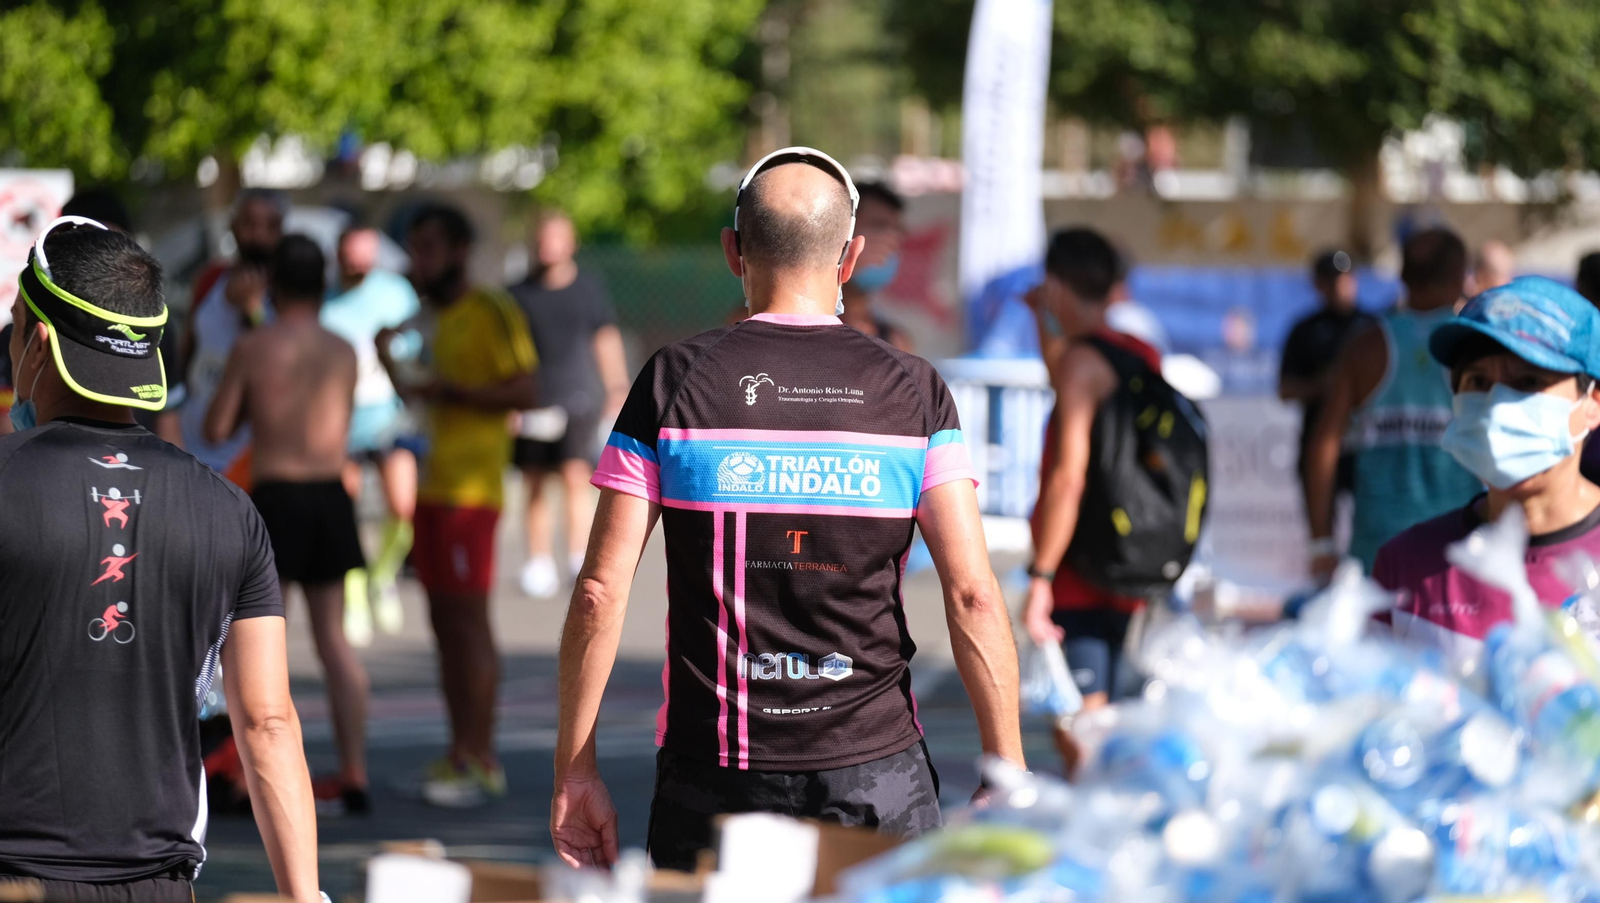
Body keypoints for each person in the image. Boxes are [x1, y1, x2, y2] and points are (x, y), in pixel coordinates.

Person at [550, 147, 1023, 870]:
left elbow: (597, 592)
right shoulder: (914, 392)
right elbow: (972, 593)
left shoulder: (674, 382)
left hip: (714, 770)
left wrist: (576, 771)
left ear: (732, 250)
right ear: (853, 253)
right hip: (876, 771)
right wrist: (1005, 769)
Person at [0, 218, 322, 901]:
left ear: (40, 341)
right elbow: (267, 721)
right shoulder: (229, 511)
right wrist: (304, 896)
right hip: (158, 882)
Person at [378, 203, 539, 808]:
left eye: (429, 248)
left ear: (459, 251)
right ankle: (458, 753)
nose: (420, 261)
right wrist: (387, 356)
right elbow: (416, 394)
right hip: (431, 485)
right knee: (445, 626)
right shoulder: (428, 315)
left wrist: (455, 391)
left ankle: (482, 758)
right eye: (414, 248)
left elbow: (527, 387)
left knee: (469, 626)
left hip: (473, 493)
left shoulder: (491, 308)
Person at [204, 234, 370, 817]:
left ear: (272, 285)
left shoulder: (255, 345)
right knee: (334, 642)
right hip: (330, 494)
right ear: (323, 286)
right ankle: (354, 770)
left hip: (275, 498)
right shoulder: (344, 349)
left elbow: (220, 425)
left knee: (257, 646)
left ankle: (254, 777)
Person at [1375, 276, 1600, 670]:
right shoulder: (1406, 566)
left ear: (1592, 403)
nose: (1497, 406)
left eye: (1528, 382)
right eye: (1478, 382)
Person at [1020, 228, 1169, 771]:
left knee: (1083, 731)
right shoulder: (1138, 354)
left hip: (1080, 570)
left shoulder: (1082, 364)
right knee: (1108, 719)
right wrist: (1044, 319)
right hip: (1134, 554)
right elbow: (1066, 370)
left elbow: (1068, 480)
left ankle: (1095, 837)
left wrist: (1039, 578)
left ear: (1056, 285)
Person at [1305, 227, 1482, 575]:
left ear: (1401, 275)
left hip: (1380, 552)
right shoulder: (1477, 345)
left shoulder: (1365, 346)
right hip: (1458, 556)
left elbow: (1322, 446)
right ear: (1462, 276)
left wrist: (1322, 542)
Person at [509, 210, 629, 598]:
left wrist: (616, 386)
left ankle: (578, 556)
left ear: (571, 242)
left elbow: (605, 338)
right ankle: (538, 561)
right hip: (533, 401)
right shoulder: (516, 294)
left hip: (579, 398)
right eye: (544, 237)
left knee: (576, 478)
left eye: (557, 237)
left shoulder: (588, 289)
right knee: (533, 482)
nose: (549, 245)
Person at [322, 226, 422, 642]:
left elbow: (417, 338)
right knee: (344, 509)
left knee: (403, 505)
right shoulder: (324, 296)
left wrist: (391, 351)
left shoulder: (395, 290)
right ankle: (355, 586)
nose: (357, 266)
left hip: (387, 412)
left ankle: (382, 575)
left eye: (366, 258)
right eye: (350, 257)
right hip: (340, 415)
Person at [180, 188, 285, 485]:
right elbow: (186, 350)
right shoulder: (211, 279)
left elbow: (281, 363)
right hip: (193, 444)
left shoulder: (286, 292)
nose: (258, 235)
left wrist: (254, 310)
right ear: (234, 225)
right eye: (250, 223)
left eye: (270, 226)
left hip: (250, 456)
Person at [1278, 250, 1376, 510]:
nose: (1339, 286)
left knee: (1372, 527)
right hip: (1319, 437)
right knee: (1321, 533)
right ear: (1318, 284)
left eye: (1344, 278)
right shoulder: (1305, 330)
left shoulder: (1373, 327)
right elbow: (1285, 389)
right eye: (1331, 279)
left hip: (1366, 444)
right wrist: (1325, 386)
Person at [839, 182, 913, 351]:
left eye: (897, 231)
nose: (890, 241)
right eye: (878, 226)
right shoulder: (805, 326)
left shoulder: (895, 342)